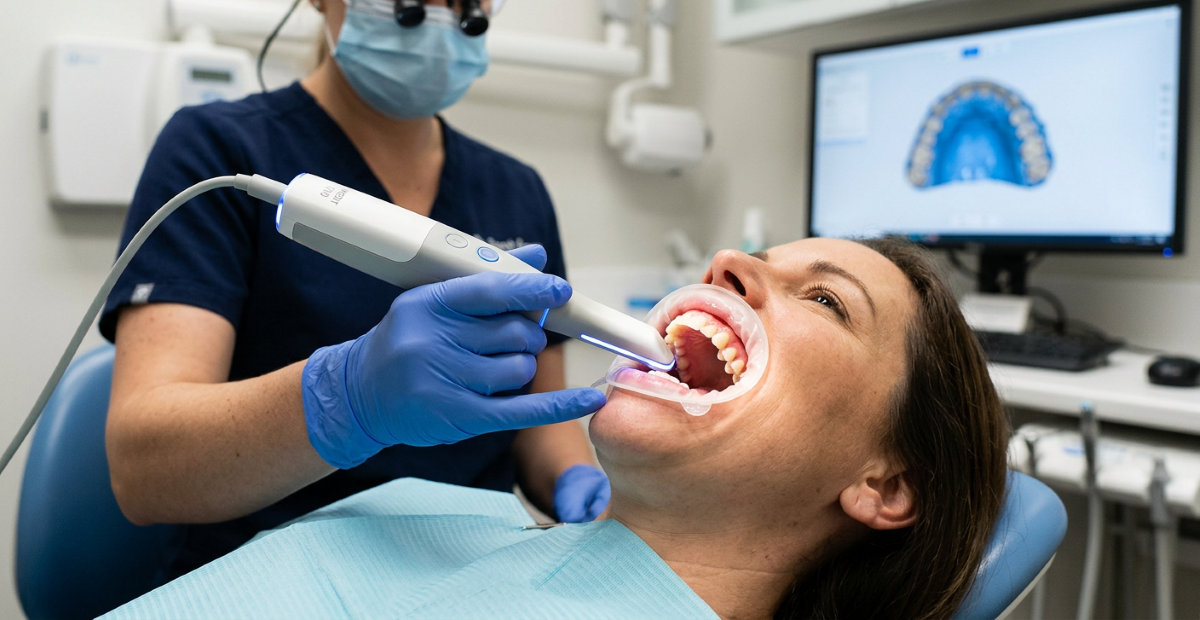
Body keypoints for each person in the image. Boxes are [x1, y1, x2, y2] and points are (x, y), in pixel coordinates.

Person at [101, 237, 1011, 620]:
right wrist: (343, 393)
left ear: (886, 483)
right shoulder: (433, 507)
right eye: (755, 258)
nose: (728, 261)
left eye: (824, 299)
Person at [100, 0, 608, 583]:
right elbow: (143, 469)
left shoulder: (516, 189)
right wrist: (346, 396)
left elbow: (536, 420)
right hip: (270, 577)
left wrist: (577, 481)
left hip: (474, 574)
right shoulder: (221, 157)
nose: (442, 11)